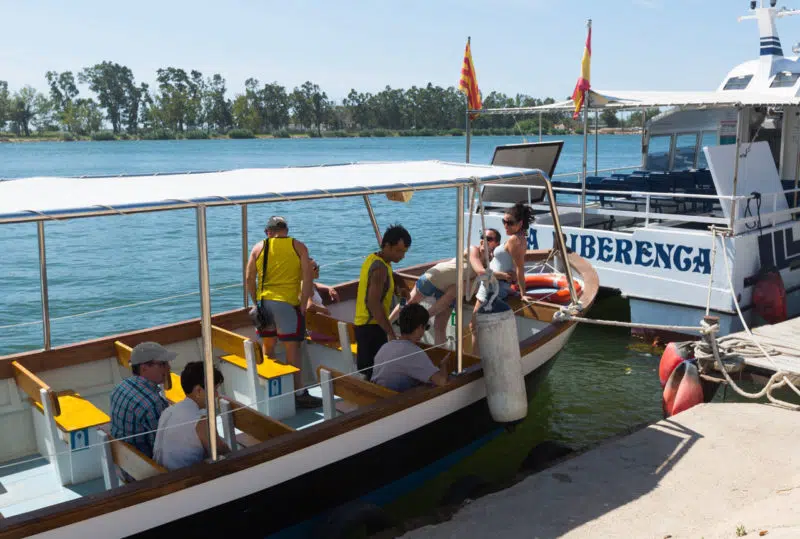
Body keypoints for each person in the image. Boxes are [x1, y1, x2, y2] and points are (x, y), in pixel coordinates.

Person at [245, 215, 320, 409]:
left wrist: (257, 301)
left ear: (268, 232)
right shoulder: (298, 247)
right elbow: (307, 276)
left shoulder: (258, 248)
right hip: (287, 305)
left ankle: (272, 395)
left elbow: (248, 279)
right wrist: (303, 303)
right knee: (292, 352)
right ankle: (299, 394)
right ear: (285, 230)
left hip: (265, 305)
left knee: (268, 350)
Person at [387, 228, 506, 345]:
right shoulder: (473, 250)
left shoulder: (489, 263)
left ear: (497, 244)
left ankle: (441, 357)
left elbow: (481, 278)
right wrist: (504, 275)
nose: (483, 240)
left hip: (448, 291)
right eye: (482, 237)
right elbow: (480, 272)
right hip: (433, 278)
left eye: (489, 239)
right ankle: (386, 326)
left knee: (440, 327)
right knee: (408, 302)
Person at [472, 202, 535, 354]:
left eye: (510, 223)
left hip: (493, 286)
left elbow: (519, 268)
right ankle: (477, 358)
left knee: (475, 326)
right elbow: (513, 266)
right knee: (479, 326)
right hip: (493, 284)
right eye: (504, 221)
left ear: (520, 223)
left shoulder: (515, 240)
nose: (505, 225)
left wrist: (523, 294)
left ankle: (474, 361)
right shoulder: (518, 238)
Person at [354, 224, 412, 379]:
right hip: (371, 328)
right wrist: (390, 332)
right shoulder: (380, 269)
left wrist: (400, 287)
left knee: (373, 372)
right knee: (374, 374)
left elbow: (390, 277)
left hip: (366, 326)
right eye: (399, 251)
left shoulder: (376, 259)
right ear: (387, 245)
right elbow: (373, 304)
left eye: (404, 252)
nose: (402, 256)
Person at [153, 362, 230, 470]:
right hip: (184, 479)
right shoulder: (200, 420)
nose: (216, 395)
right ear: (198, 391)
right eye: (215, 389)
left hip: (163, 472)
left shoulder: (169, 411)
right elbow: (221, 451)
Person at [110, 341, 175, 458]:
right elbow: (167, 445)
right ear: (144, 368)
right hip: (147, 468)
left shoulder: (121, 387)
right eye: (163, 364)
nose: (169, 367)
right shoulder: (152, 403)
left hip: (126, 462)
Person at [371, 304, 450, 392]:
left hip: (378, 397)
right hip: (398, 402)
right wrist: (443, 365)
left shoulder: (385, 347)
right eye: (425, 327)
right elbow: (442, 382)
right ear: (420, 327)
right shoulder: (415, 353)